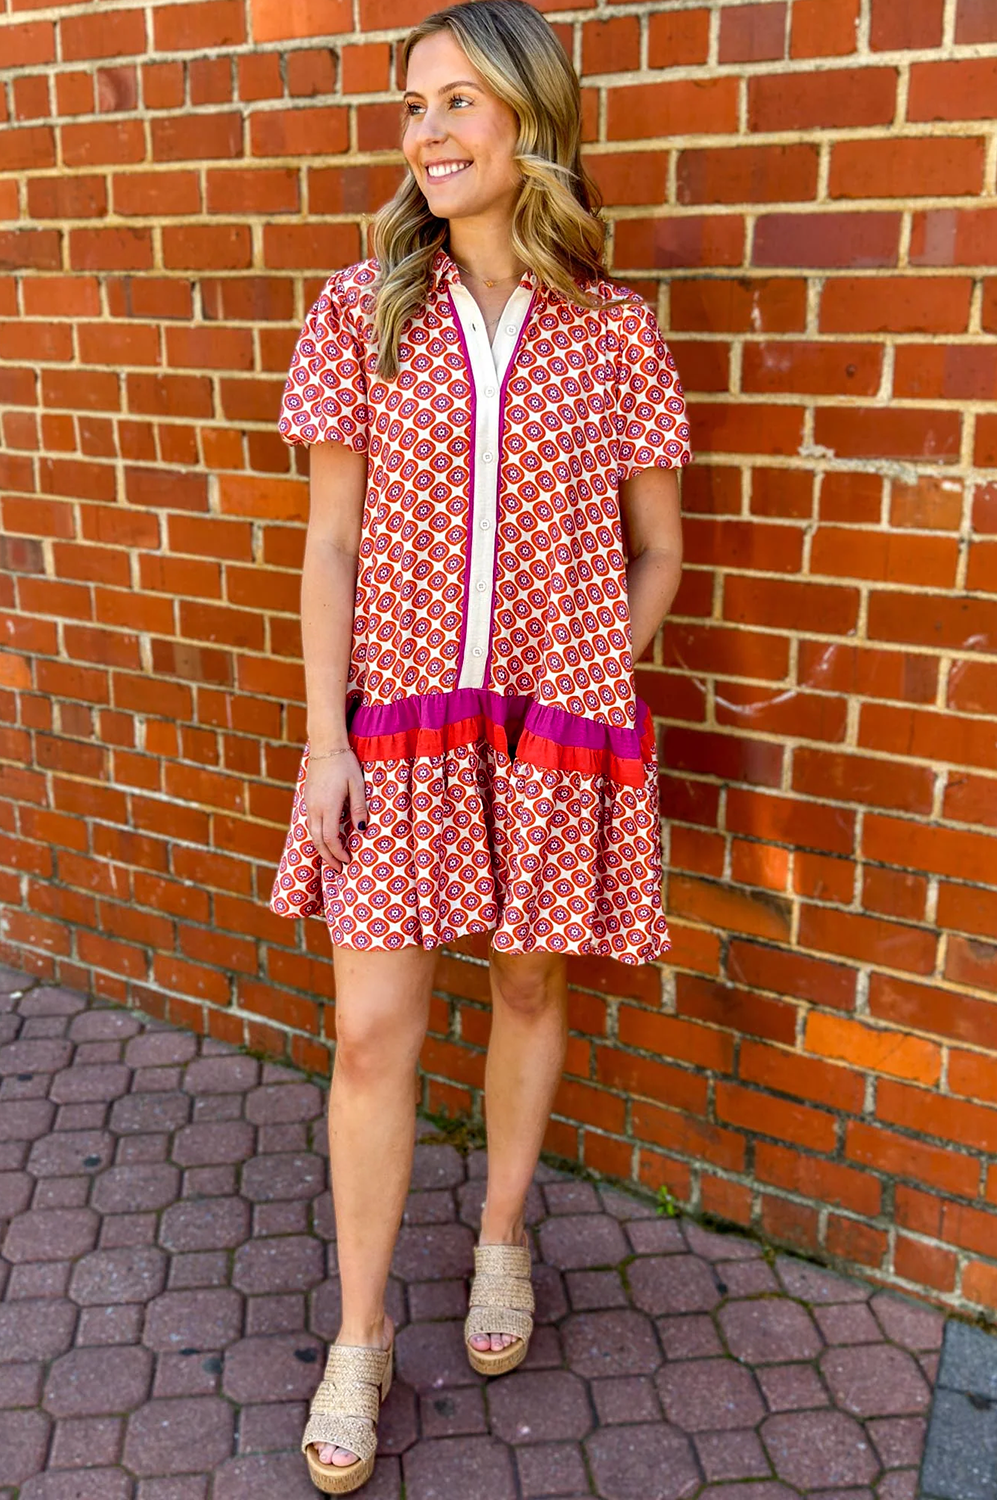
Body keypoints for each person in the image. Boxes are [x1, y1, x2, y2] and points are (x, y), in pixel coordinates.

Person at [268, 0, 691, 1489]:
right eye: (413, 106)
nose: (429, 133)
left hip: (552, 735)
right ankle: (362, 1332)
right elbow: (330, 546)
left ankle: (502, 1230)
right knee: (370, 1034)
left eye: (459, 101)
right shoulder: (362, 310)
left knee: (524, 982)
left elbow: (658, 550)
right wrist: (325, 740)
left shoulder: (613, 329)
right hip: (392, 730)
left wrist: (595, 667)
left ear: (531, 119)